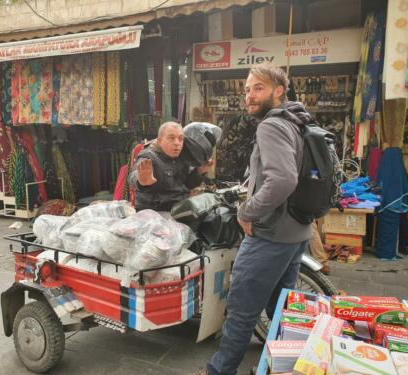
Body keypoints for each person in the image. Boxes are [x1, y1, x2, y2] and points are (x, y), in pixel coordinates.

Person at [198, 64, 313, 375]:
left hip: (270, 235)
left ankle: (220, 371)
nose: (249, 95)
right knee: (281, 309)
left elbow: (283, 180)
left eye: (257, 88)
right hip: (296, 231)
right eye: (247, 89)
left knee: (241, 310)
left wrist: (246, 211)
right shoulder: (297, 121)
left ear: (278, 91)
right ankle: (284, 364)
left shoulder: (272, 126)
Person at [129, 121, 214, 212]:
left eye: (180, 139)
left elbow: (186, 185)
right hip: (155, 215)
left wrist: (199, 171)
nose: (177, 143)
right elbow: (133, 175)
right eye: (171, 138)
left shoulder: (181, 157)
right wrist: (141, 182)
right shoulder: (148, 156)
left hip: (178, 211)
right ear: (160, 141)